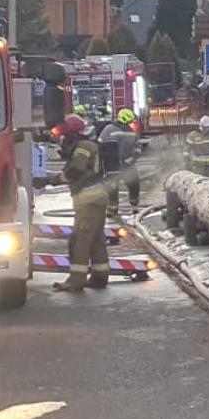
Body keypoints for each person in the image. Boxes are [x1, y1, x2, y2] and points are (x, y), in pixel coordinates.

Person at [52, 114, 110, 292]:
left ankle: (76, 280)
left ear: (71, 134)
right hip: (94, 198)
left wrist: (53, 179)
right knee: (96, 239)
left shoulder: (83, 147)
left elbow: (76, 169)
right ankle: (100, 276)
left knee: (80, 240)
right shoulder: (86, 145)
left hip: (89, 199)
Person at [99, 108, 142, 210]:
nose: (132, 123)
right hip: (125, 164)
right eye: (131, 121)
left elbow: (99, 144)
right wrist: (133, 158)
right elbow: (133, 148)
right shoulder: (130, 133)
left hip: (110, 165)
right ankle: (133, 201)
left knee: (112, 186)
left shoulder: (107, 128)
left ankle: (112, 208)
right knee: (134, 182)